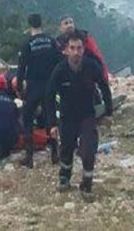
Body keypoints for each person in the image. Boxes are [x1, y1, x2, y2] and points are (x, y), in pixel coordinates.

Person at [46, 30, 112, 200]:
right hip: (67, 117)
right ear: (66, 50)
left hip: (87, 116)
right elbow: (49, 97)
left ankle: (87, 184)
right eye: (72, 48)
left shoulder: (92, 66)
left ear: (84, 49)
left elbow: (104, 87)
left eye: (79, 48)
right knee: (66, 149)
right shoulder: (59, 70)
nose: (76, 52)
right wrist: (51, 123)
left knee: (89, 149)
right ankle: (64, 177)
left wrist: (109, 112)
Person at [17, 13, 62, 168]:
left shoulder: (28, 44)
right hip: (49, 85)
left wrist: (19, 88)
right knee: (50, 118)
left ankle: (29, 157)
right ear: (41, 24)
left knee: (28, 118)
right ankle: (55, 153)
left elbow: (21, 67)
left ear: (30, 25)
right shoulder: (51, 41)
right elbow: (60, 61)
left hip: (33, 86)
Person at [57, 16, 110, 82]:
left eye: (71, 22)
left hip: (89, 74)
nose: (69, 25)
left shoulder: (85, 38)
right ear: (60, 28)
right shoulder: (58, 44)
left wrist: (104, 76)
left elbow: (97, 55)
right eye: (66, 23)